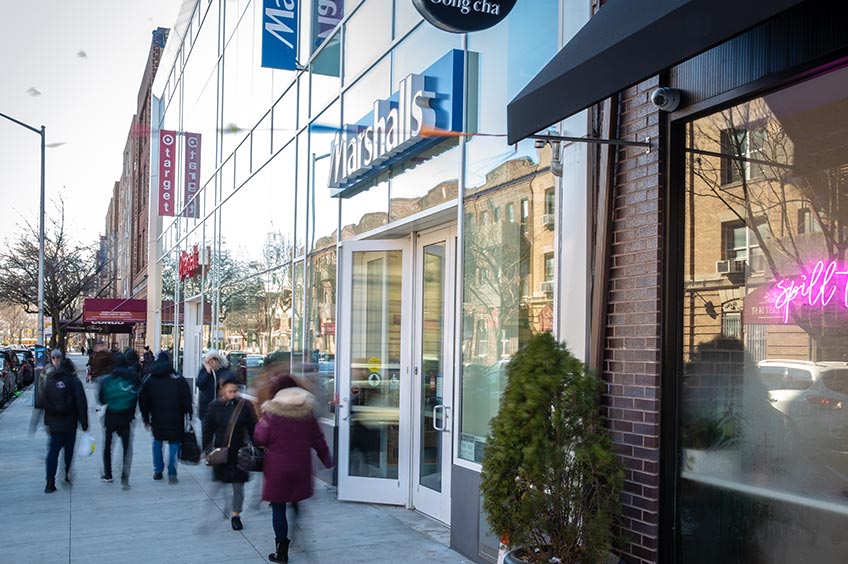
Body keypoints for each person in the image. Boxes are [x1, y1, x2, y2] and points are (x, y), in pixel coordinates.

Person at [254, 375, 333, 563]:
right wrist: (327, 459)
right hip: (301, 466)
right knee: (296, 497)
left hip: (277, 469)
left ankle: (281, 550)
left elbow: (261, 438)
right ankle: (296, 526)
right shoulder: (307, 414)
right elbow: (318, 440)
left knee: (278, 508)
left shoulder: (271, 414)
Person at [202, 375, 257, 531]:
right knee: (220, 483)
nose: (233, 394)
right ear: (222, 390)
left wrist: (255, 446)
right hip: (221, 451)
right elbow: (207, 429)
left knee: (238, 485)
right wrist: (207, 449)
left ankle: (236, 514)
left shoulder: (245, 406)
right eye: (230, 391)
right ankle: (225, 506)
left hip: (240, 452)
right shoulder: (214, 407)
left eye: (235, 390)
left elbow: (254, 428)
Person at [138, 352, 192, 484]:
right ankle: (172, 470)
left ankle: (158, 470)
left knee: (157, 441)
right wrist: (189, 414)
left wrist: (146, 417)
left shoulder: (150, 379)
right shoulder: (178, 378)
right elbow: (187, 398)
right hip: (176, 417)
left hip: (157, 417)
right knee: (174, 442)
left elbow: (142, 399)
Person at [41, 349, 89, 493]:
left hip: (54, 424)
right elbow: (81, 403)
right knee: (68, 451)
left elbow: (44, 401)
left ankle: (50, 481)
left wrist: (47, 420)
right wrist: (84, 423)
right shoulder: (74, 382)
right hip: (70, 423)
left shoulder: (49, 381)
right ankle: (67, 474)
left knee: (53, 452)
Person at [98, 353, 141, 488]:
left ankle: (108, 474)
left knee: (108, 446)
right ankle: (125, 476)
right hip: (126, 417)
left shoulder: (108, 380)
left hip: (111, 416)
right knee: (126, 447)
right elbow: (136, 397)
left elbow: (102, 400)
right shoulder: (132, 379)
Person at [196, 350, 234, 422]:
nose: (212, 362)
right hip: (206, 408)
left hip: (221, 408)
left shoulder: (223, 371)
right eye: (210, 360)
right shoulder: (203, 371)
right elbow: (200, 384)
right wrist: (207, 373)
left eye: (214, 360)